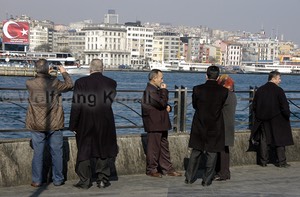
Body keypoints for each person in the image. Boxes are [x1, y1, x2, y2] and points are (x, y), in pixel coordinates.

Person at [69, 59, 118, 189]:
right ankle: (102, 180)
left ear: (90, 69)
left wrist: (73, 124)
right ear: (103, 68)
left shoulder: (80, 82)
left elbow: (76, 106)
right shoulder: (111, 83)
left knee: (84, 150)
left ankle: (85, 181)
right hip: (105, 120)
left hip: (85, 120)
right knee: (103, 148)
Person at [25, 58, 73, 187]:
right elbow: (69, 85)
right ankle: (57, 179)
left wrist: (45, 73)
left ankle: (37, 180)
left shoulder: (29, 83)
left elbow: (38, 80)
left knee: (38, 153)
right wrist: (63, 72)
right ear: (47, 69)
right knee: (57, 152)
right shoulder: (55, 83)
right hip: (54, 122)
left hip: (36, 123)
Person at [185, 65, 228, 186]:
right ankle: (207, 179)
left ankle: (189, 177)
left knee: (196, 151)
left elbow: (194, 105)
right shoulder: (224, 91)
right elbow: (221, 106)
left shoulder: (197, 89)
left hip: (199, 123)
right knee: (212, 152)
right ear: (218, 77)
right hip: (215, 124)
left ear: (206, 75)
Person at [141, 69, 182, 178]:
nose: (162, 80)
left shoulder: (154, 90)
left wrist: (167, 106)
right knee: (153, 148)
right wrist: (165, 91)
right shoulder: (150, 90)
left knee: (164, 147)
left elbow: (162, 103)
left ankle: (167, 168)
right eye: (161, 78)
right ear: (154, 78)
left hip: (160, 123)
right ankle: (152, 169)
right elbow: (161, 102)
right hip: (154, 123)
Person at [250, 71, 294, 167]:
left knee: (264, 140)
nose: (280, 81)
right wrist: (287, 115)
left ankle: (263, 161)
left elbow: (254, 106)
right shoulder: (279, 91)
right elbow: (284, 106)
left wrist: (259, 115)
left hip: (263, 119)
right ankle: (281, 162)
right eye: (279, 78)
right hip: (278, 119)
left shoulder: (260, 90)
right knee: (280, 141)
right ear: (273, 79)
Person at [214, 74, 237, 181]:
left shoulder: (224, 95)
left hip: (222, 124)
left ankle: (222, 173)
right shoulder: (232, 95)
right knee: (225, 149)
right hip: (229, 124)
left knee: (222, 149)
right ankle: (225, 172)